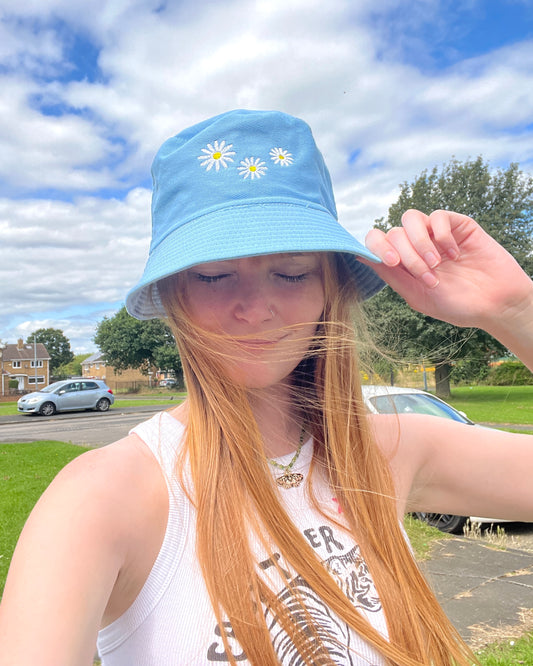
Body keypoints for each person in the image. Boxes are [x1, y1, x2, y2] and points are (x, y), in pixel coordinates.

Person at [0, 110, 532, 666]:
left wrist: (515, 311)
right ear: (175, 294)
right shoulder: (103, 497)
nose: (255, 309)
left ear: (331, 287)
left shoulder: (391, 452)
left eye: (293, 272)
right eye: (212, 275)